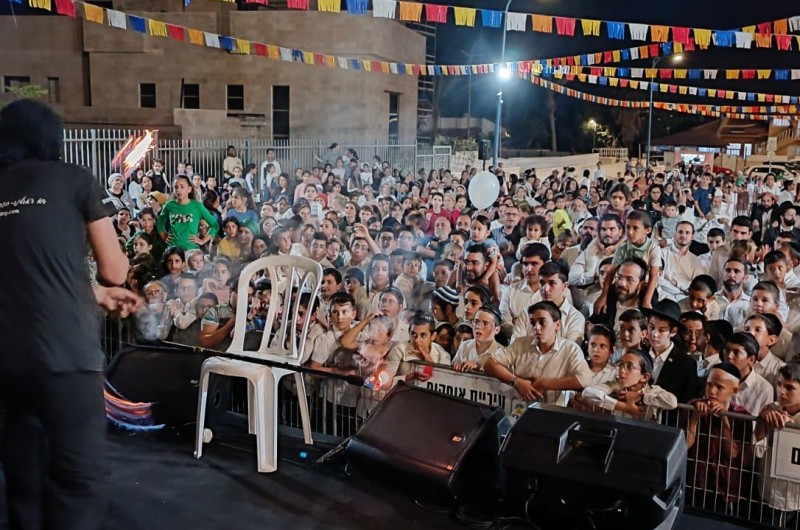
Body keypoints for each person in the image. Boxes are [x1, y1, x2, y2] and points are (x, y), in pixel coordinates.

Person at [0, 99, 140, 530]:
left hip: (6, 360)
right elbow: (115, 269)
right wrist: (104, 286)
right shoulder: (74, 180)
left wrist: (93, 293)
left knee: (22, 478)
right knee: (77, 480)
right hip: (66, 356)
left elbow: (25, 267)